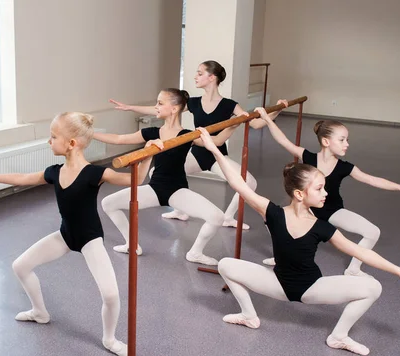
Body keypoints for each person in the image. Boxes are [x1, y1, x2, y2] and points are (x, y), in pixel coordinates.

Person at [198, 127, 400, 356]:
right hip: (276, 284)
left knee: (373, 287)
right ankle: (249, 315)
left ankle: (338, 337)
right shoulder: (273, 213)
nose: (325, 193)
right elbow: (239, 184)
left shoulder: (322, 227)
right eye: (319, 188)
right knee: (225, 264)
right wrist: (214, 151)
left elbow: (360, 251)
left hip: (312, 289)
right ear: (299, 194)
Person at [0, 112, 160, 356]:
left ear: (71, 143)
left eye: (53, 136)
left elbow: (137, 180)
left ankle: (109, 339)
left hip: (90, 239)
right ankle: (40, 312)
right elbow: (23, 178)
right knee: (20, 266)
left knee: (110, 294)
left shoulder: (94, 174)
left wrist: (149, 152)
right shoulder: (55, 172)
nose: (49, 141)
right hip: (66, 235)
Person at [109, 60, 284, 230]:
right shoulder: (193, 102)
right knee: (158, 171)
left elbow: (255, 124)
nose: (195, 77)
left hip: (216, 155)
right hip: (196, 153)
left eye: (200, 73)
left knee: (249, 183)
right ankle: (180, 209)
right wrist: (130, 107)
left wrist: (277, 110)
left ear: (212, 77)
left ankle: (228, 217)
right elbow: (160, 109)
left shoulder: (230, 105)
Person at [255, 108, 400, 275]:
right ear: (326, 141)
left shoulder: (345, 167)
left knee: (372, 232)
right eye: (342, 140)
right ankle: (281, 258)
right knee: (272, 219)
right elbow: (283, 141)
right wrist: (267, 118)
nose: (347, 144)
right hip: (307, 209)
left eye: (347, 140)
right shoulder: (308, 157)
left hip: (332, 210)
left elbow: (371, 179)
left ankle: (353, 269)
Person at [93, 88, 224, 266]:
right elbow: (118, 139)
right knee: (108, 203)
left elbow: (216, 142)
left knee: (217, 217)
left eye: (160, 103)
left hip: (177, 190)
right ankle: (132, 245)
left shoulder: (187, 135)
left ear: (174, 108)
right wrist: (88, 134)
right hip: (154, 189)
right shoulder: (152, 132)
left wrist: (232, 125)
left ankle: (195, 252)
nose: (156, 107)